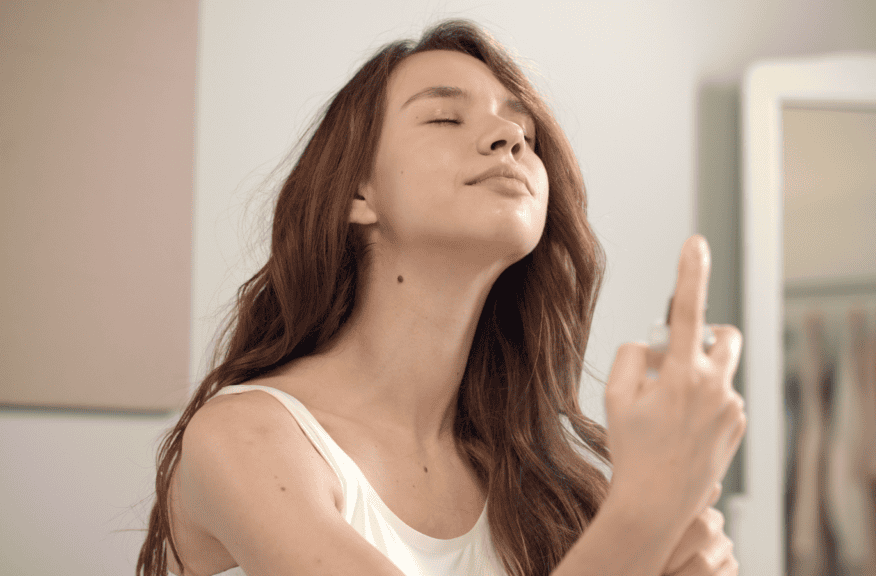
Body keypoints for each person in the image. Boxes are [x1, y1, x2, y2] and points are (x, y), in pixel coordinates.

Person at [136, 18, 746, 576]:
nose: (509, 136)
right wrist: (642, 518)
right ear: (358, 193)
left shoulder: (546, 491)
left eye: (525, 132)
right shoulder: (244, 437)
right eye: (445, 118)